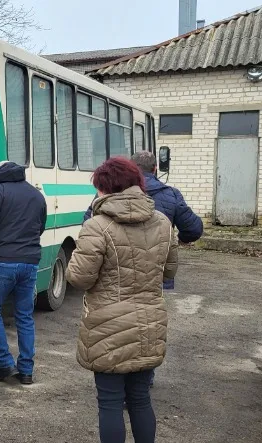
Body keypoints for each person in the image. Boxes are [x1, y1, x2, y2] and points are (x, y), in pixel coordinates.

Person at [65, 157, 178, 443]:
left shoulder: (97, 225)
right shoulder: (163, 223)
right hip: (150, 323)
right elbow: (170, 270)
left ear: (105, 188)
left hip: (108, 327)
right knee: (140, 398)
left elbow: (79, 278)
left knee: (110, 402)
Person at [82, 151, 202, 290]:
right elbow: (193, 229)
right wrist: (178, 240)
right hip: (155, 279)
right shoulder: (171, 194)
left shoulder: (109, 191)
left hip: (115, 279)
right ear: (155, 168)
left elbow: (87, 225)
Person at [0, 161, 47, 385]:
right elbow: (40, 227)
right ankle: (26, 370)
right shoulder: (36, 194)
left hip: (3, 261)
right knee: (24, 315)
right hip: (30, 262)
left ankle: (4, 363)